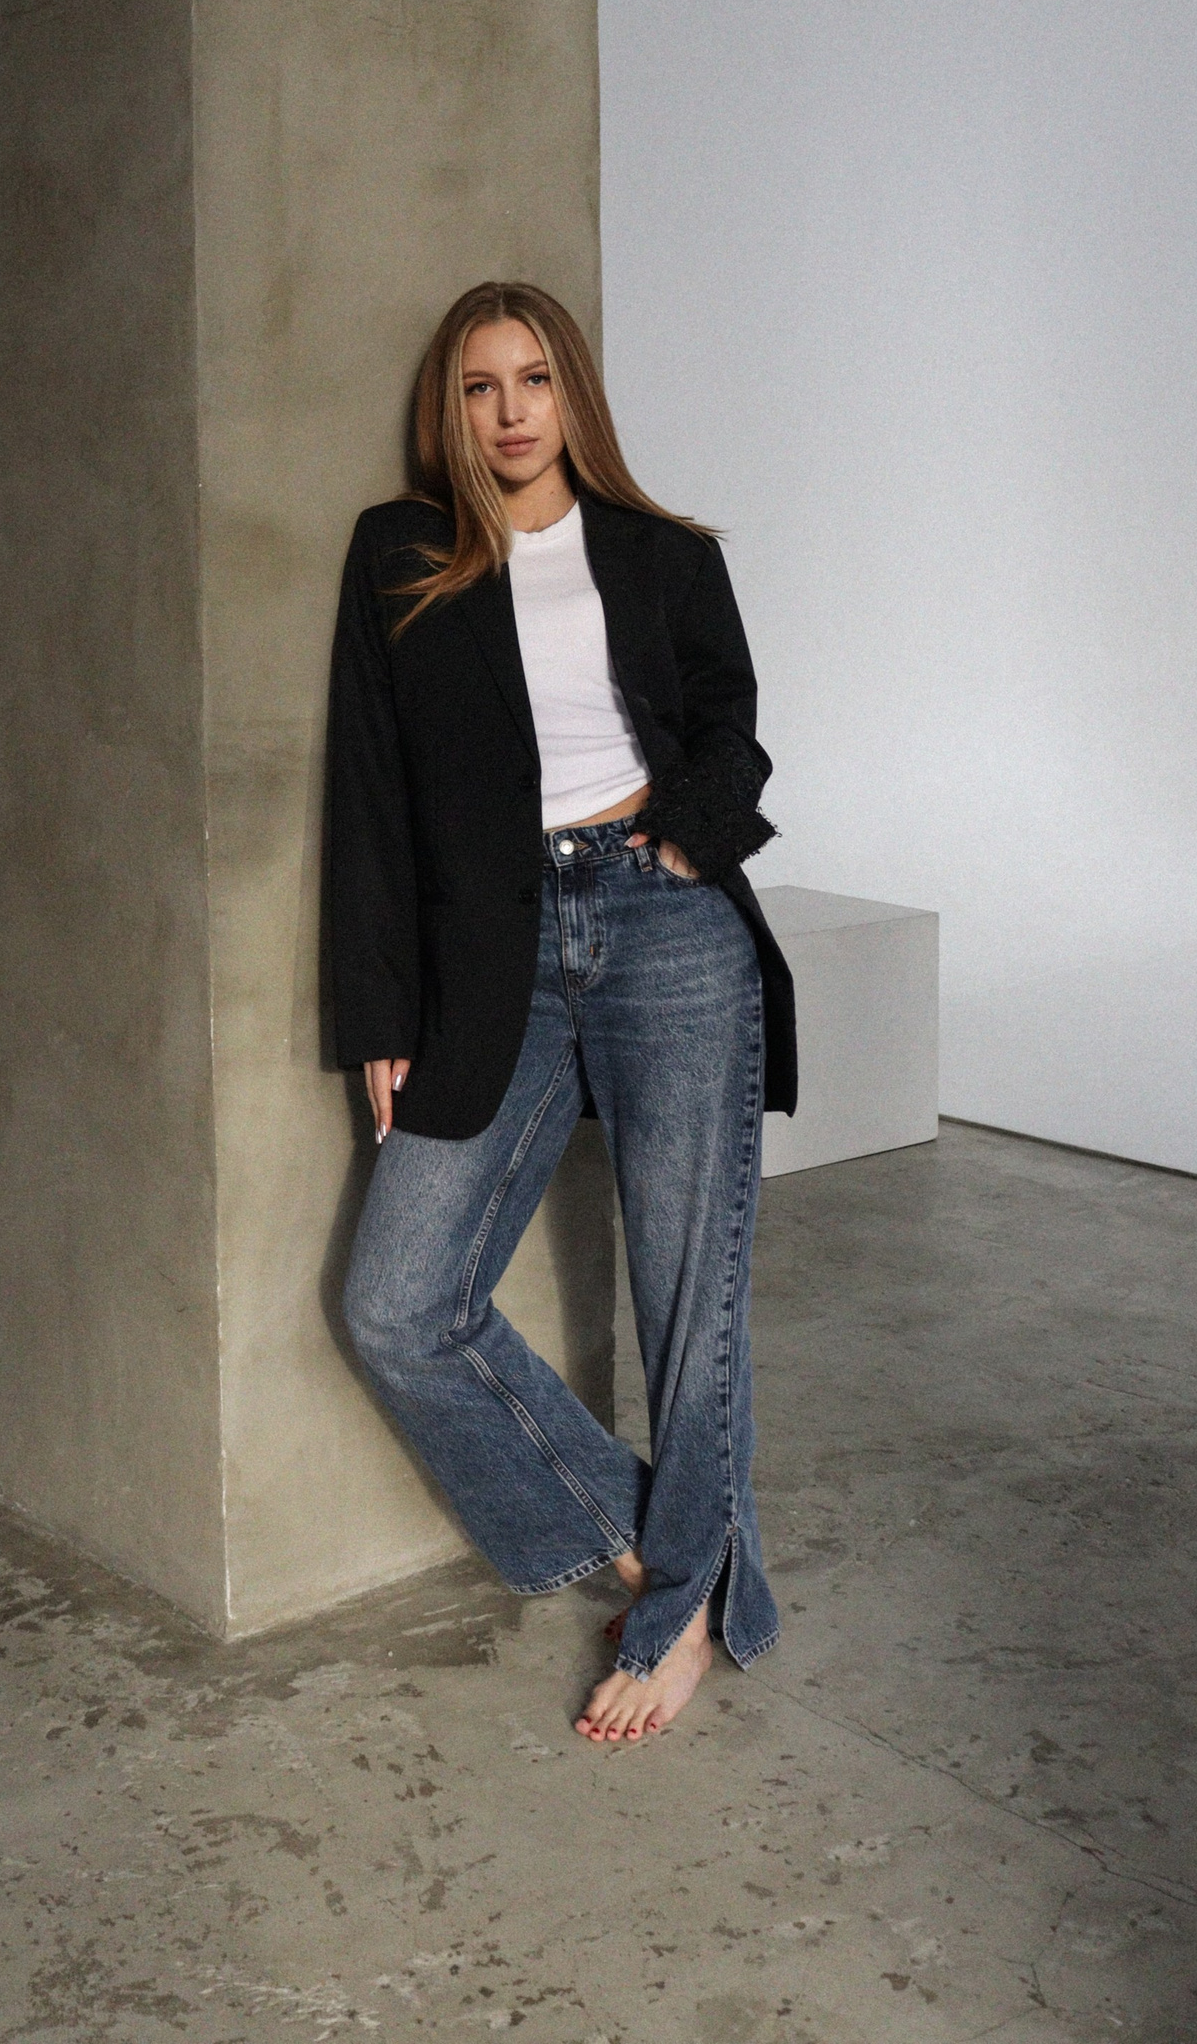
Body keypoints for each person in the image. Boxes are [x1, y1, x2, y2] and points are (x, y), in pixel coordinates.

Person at [328, 280, 797, 1746]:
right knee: (397, 1304)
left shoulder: (665, 555)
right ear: (450, 410)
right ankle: (676, 1557)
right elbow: (369, 789)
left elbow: (732, 729)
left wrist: (683, 842)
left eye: (534, 379)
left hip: (666, 928)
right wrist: (379, 1011)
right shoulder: (402, 553)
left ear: (572, 392)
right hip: (495, 953)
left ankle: (678, 1624)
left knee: (690, 1302)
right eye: (480, 387)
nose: (511, 411)